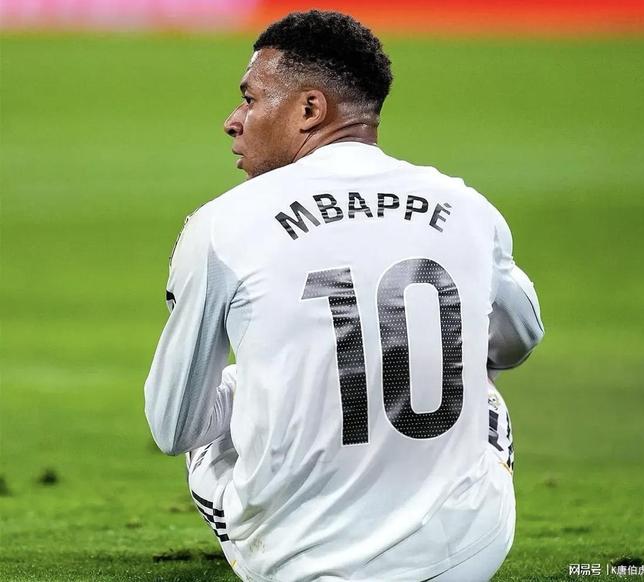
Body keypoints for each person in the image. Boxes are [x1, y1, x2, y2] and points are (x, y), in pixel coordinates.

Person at [144, 10, 544, 582]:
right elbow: (519, 339)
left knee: (226, 393)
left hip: (293, 565)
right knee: (475, 382)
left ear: (310, 109)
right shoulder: (467, 208)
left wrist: (257, 386)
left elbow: (173, 427)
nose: (233, 121)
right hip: (465, 558)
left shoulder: (220, 226)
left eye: (250, 99)